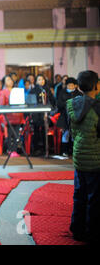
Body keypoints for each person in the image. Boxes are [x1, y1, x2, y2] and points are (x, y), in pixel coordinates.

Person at [67, 70, 100, 244]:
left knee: (79, 194)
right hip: (96, 158)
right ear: (96, 86)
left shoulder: (71, 104)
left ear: (78, 87)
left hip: (79, 154)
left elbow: (71, 129)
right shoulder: (98, 106)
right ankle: (91, 231)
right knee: (94, 198)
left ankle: (77, 229)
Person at [29, 74, 56, 156]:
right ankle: (36, 149)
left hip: (45, 113)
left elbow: (52, 101)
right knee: (36, 130)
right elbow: (31, 102)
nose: (42, 81)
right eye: (39, 79)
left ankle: (46, 148)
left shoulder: (47, 89)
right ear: (36, 81)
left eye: (43, 79)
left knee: (45, 130)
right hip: (36, 114)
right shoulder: (33, 90)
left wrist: (51, 109)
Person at [0, 74, 24, 157]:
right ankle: (10, 150)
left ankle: (15, 150)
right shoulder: (2, 92)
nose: (10, 81)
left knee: (17, 134)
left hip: (18, 115)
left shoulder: (17, 90)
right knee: (10, 134)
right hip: (9, 116)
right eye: (8, 80)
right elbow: (1, 104)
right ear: (4, 82)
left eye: (11, 80)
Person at [56, 77, 82, 157]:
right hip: (64, 116)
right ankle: (65, 151)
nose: (70, 87)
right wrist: (67, 105)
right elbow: (59, 104)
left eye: (72, 85)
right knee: (66, 134)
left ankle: (74, 151)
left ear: (75, 85)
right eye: (68, 85)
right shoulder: (62, 92)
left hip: (75, 116)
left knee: (74, 134)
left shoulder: (79, 94)